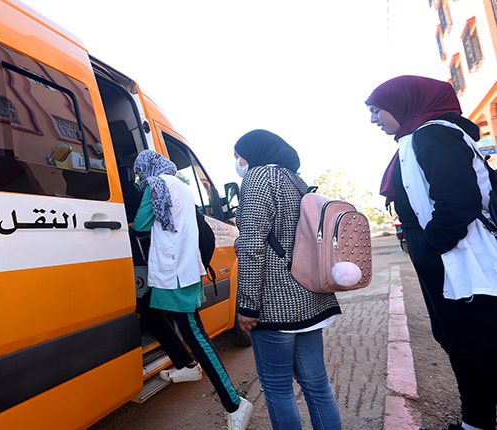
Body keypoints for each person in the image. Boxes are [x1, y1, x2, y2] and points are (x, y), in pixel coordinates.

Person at [366, 75, 497, 430]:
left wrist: (429, 248)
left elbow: (458, 203)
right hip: (446, 260)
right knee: (460, 344)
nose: (374, 119)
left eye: (377, 110)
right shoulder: (416, 138)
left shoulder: (432, 135)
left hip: (462, 259)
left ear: (402, 103)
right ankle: (476, 423)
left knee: (481, 346)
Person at [131, 149, 253, 430]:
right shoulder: (181, 186)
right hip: (182, 268)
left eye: (139, 172)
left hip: (174, 273)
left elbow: (140, 227)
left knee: (195, 335)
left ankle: (234, 403)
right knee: (149, 310)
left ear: (147, 168)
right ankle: (186, 365)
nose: (139, 177)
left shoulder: (155, 185)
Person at [234, 130, 343, 430]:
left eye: (238, 155)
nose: (238, 162)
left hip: (275, 303)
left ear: (254, 152)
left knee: (277, 387)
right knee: (317, 385)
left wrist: (248, 305)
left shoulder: (258, 177)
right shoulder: (295, 180)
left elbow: (252, 244)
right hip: (310, 296)